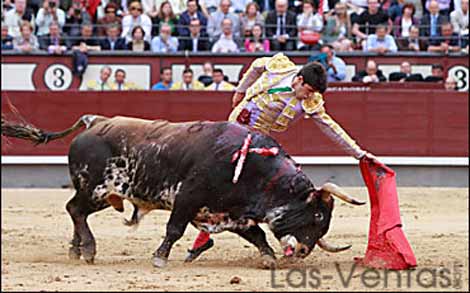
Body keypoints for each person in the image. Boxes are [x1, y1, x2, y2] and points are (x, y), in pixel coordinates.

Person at [185, 52, 380, 262]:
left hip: (258, 142)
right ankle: (209, 236)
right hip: (233, 130)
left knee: (241, 187)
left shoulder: (311, 102)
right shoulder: (280, 66)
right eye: (308, 90)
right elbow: (257, 66)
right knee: (217, 182)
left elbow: (331, 128)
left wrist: (358, 153)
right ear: (299, 80)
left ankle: (283, 234)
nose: (309, 96)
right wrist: (240, 91)